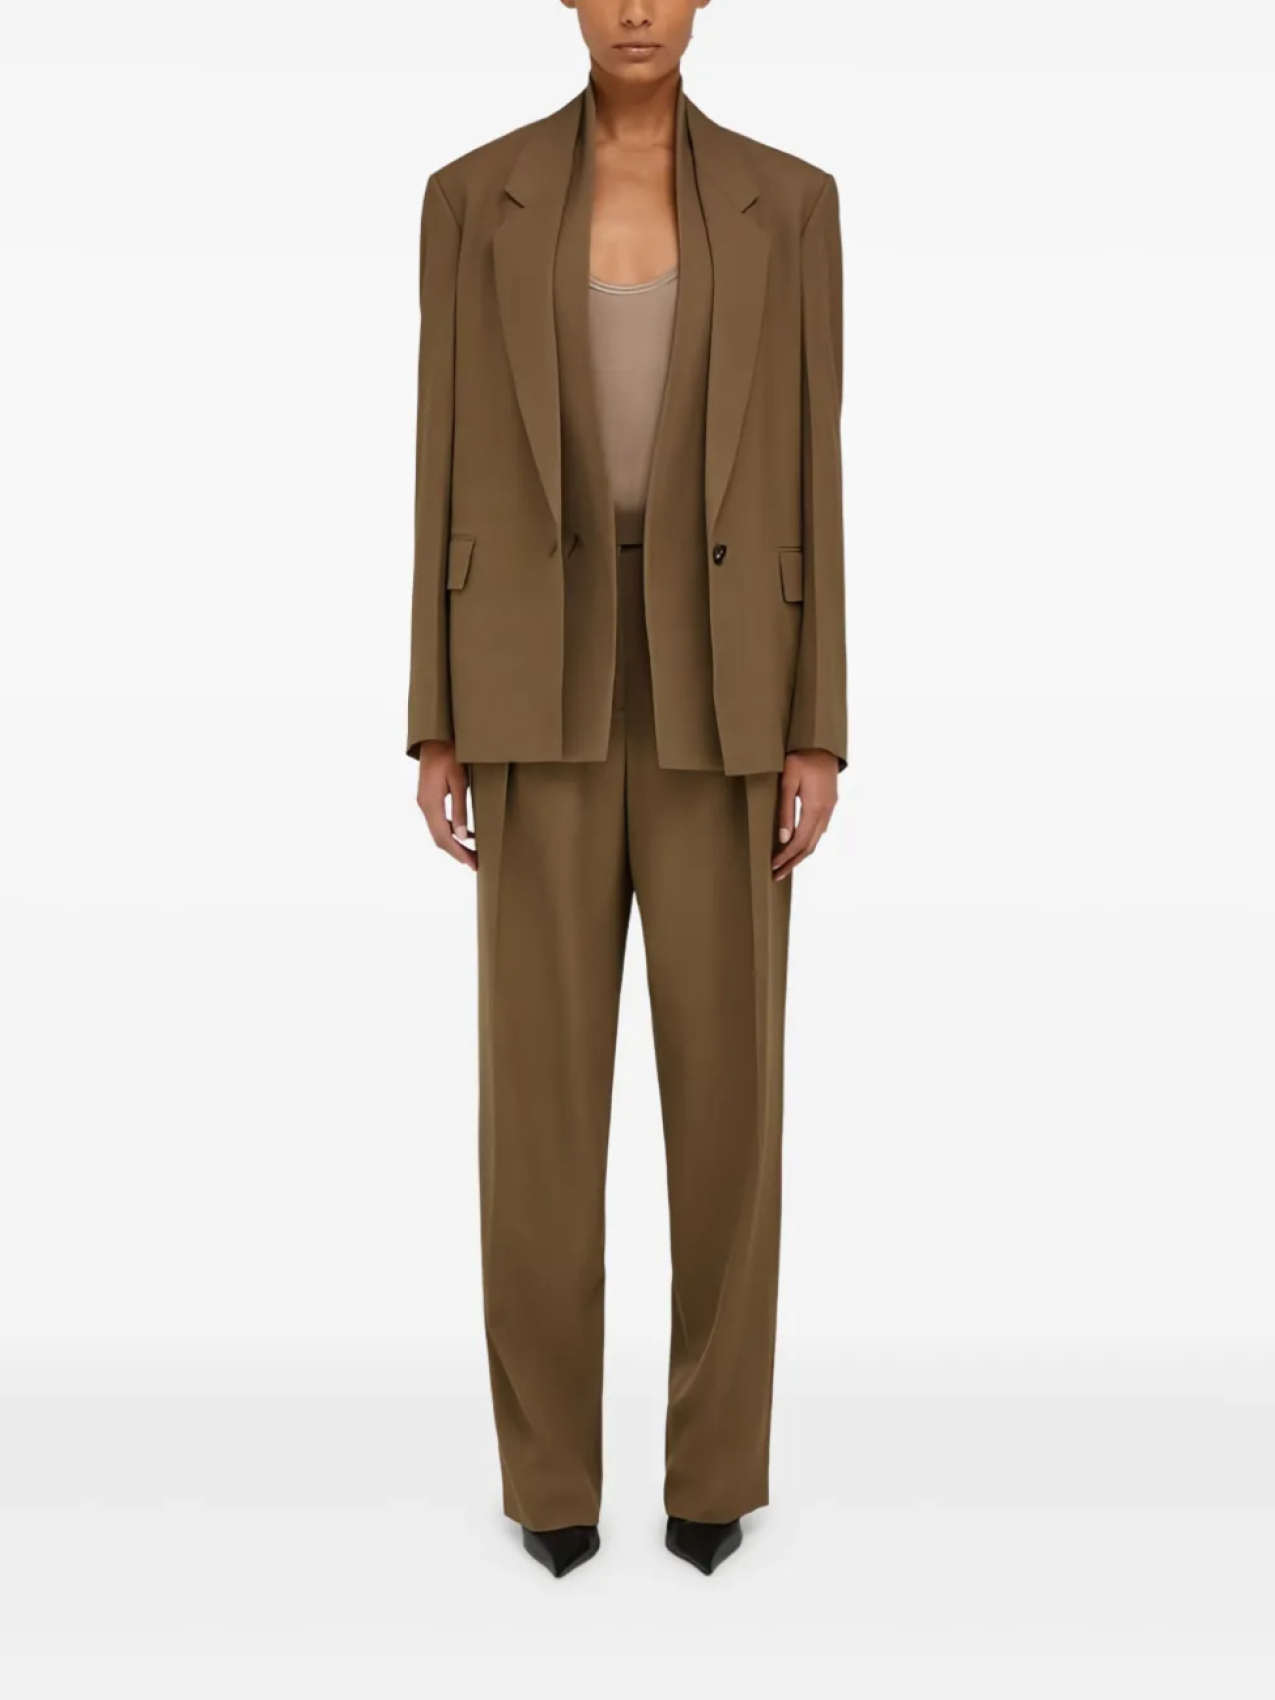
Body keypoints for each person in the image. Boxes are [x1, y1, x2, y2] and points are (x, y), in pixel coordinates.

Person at [406, 0, 846, 1578]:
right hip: (533, 680)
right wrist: (435, 717)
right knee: (536, 1120)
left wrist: (817, 725)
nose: (638, 9)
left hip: (730, 686)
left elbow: (817, 466)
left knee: (730, 1113)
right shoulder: (474, 197)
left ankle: (713, 1474)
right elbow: (440, 451)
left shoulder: (793, 203)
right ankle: (549, 1485)